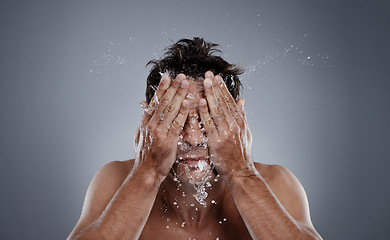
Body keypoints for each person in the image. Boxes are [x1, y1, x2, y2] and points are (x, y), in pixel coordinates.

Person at [67, 37, 322, 240]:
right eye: (176, 119)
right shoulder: (116, 181)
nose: (193, 138)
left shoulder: (276, 184)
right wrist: (148, 172)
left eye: (209, 119)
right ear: (149, 121)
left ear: (237, 122)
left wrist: (240, 173)